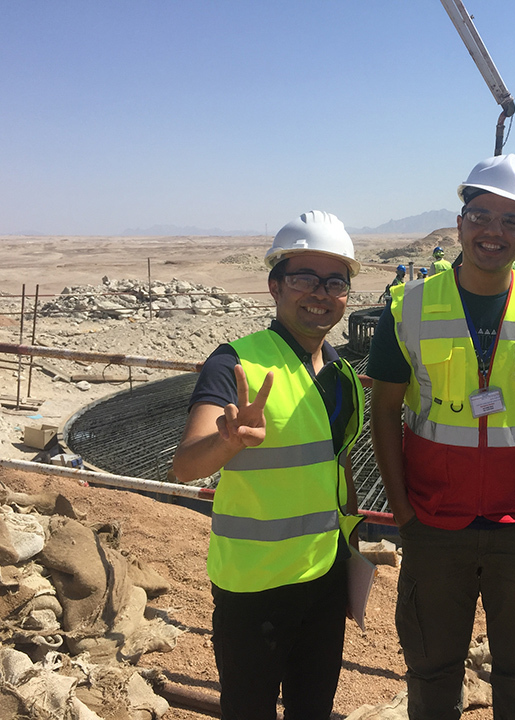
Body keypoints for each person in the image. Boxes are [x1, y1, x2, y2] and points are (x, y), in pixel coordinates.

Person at [367, 153, 515, 720]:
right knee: (433, 673)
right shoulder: (409, 307)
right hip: (434, 524)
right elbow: (385, 411)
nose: (494, 231)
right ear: (460, 222)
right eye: (481, 215)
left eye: (510, 220)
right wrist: (401, 511)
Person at [172, 210, 366, 720]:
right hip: (254, 584)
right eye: (304, 278)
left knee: (313, 706)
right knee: (249, 709)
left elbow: (337, 465)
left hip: (323, 575)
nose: (320, 293)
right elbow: (185, 466)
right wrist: (229, 441)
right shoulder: (235, 363)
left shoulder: (343, 374)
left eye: (334, 281)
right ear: (275, 287)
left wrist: (353, 550)